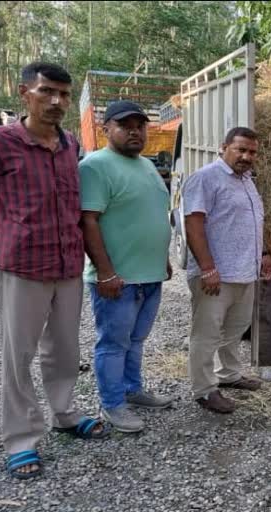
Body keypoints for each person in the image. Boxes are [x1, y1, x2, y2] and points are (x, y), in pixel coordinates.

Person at [0, 62, 108, 480]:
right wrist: (4, 242)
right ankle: (22, 438)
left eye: (62, 93)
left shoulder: (70, 144)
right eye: (47, 92)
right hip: (22, 266)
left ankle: (64, 413)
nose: (56, 101)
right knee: (18, 355)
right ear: (24, 93)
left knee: (63, 349)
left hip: (67, 264)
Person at [78, 100, 174, 433]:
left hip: (149, 274)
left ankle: (132, 390)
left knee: (135, 340)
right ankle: (113, 404)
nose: (135, 131)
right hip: (118, 279)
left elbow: (151, 216)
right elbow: (88, 221)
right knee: (113, 343)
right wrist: (105, 272)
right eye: (125, 125)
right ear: (107, 130)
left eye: (140, 125)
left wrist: (162, 259)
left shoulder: (146, 165)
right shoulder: (95, 166)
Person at [183, 127, 271, 414]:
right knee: (206, 333)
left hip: (245, 270)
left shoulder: (247, 180)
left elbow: (254, 220)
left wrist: (264, 253)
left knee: (235, 328)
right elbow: (193, 224)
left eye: (252, 152)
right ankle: (204, 389)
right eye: (241, 149)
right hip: (216, 275)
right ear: (223, 148)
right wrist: (208, 268)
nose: (247, 156)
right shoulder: (206, 178)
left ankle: (229, 375)